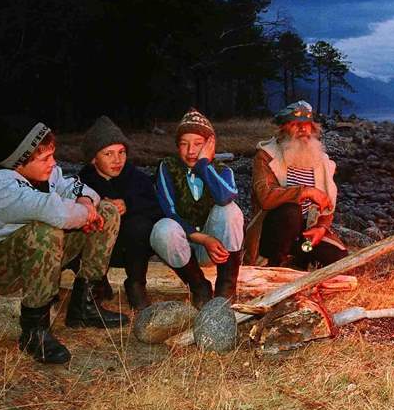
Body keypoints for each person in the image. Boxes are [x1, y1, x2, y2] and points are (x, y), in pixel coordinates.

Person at [0, 118, 126, 364]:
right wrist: (86, 213)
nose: (53, 163)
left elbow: (76, 187)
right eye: (44, 158)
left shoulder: (44, 172)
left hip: (23, 257)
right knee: (45, 231)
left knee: (107, 211)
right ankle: (34, 331)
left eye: (52, 155)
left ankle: (86, 305)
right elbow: (56, 213)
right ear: (18, 162)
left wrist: (86, 203)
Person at [151, 108, 244, 307]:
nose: (191, 151)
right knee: (163, 229)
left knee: (231, 211)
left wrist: (203, 165)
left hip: (215, 251)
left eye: (198, 144)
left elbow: (224, 197)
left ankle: (226, 287)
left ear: (210, 146)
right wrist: (204, 239)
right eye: (184, 144)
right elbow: (169, 211)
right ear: (177, 146)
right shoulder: (168, 167)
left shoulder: (222, 170)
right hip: (184, 249)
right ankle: (199, 286)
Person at [243, 101, 347, 269]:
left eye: (307, 124)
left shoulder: (321, 160)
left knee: (338, 257)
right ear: (283, 128)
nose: (303, 129)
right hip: (273, 235)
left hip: (304, 235)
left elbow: (327, 206)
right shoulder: (266, 155)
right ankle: (275, 265)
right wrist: (306, 192)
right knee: (291, 211)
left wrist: (321, 228)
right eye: (295, 124)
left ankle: (298, 260)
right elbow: (265, 198)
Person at [79, 116, 163, 311]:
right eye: (108, 154)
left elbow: (157, 210)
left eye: (121, 152)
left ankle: (136, 284)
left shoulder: (138, 179)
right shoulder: (81, 182)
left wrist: (129, 205)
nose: (117, 160)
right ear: (93, 158)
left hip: (133, 251)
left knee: (140, 224)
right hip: (97, 251)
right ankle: (96, 281)